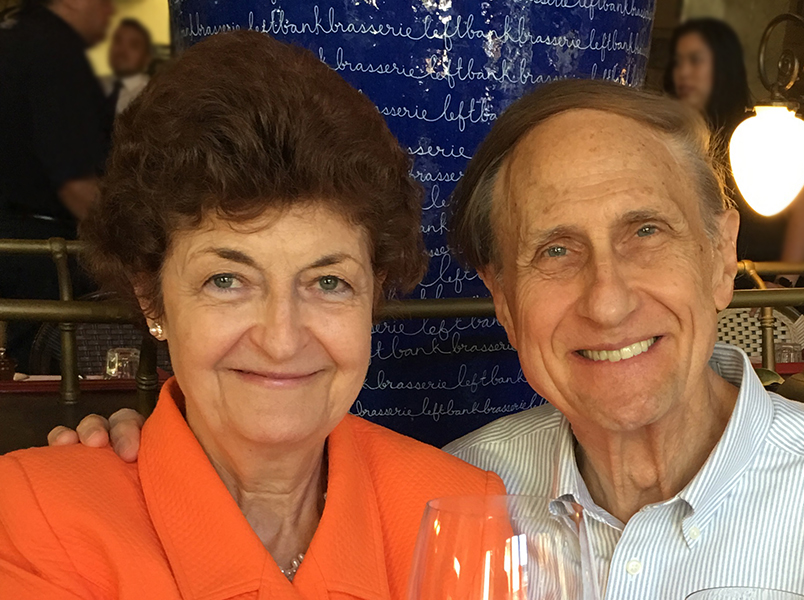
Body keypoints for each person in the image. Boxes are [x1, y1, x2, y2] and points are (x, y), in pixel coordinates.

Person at [56, 79, 804, 599]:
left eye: (646, 231)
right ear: (501, 298)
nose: (607, 301)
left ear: (722, 256)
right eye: (555, 250)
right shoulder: (455, 498)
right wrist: (148, 465)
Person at [0, 31, 505, 598]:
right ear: (151, 298)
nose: (282, 339)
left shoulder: (459, 508)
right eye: (227, 280)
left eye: (328, 282)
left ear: (373, 296)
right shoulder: (35, 517)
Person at [0, 0, 114, 368]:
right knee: (45, 373)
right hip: (44, 252)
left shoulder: (12, 34)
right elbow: (76, 183)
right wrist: (128, 250)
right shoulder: (56, 50)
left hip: (12, 241)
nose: (111, 13)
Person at [664, 18, 804, 286]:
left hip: (753, 280)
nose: (684, 72)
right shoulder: (669, 132)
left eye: (696, 60)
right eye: (679, 61)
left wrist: (783, 283)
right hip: (689, 277)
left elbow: (803, 215)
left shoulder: (758, 131)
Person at [102, 18, 152, 115]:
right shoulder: (96, 84)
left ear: (147, 59)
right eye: (117, 41)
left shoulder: (149, 96)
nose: (122, 50)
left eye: (134, 45)